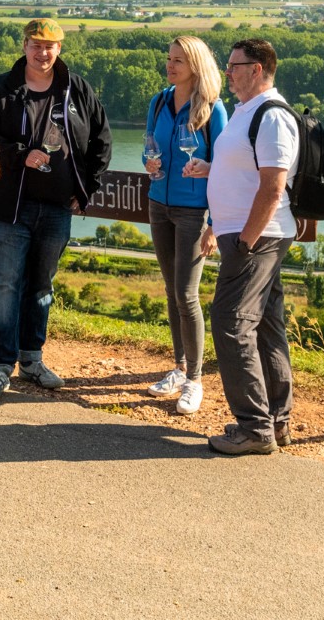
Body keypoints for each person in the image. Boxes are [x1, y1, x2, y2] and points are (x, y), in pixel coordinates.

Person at [0, 17, 111, 402]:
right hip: (8, 209)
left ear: (59, 49)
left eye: (49, 45)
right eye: (35, 44)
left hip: (56, 209)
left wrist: (86, 190)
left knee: (41, 287)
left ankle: (31, 359)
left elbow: (101, 139)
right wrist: (21, 155)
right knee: (3, 286)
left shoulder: (76, 90)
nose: (42, 51)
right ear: (24, 46)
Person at [204, 38, 302, 456]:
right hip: (248, 236)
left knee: (229, 320)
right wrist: (210, 170)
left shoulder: (272, 116)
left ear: (257, 69)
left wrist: (245, 239)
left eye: (234, 65)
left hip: (256, 238)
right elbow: (248, 169)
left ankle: (254, 427)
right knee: (265, 324)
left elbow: (274, 185)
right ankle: (275, 422)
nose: (227, 71)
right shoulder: (247, 112)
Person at [141, 35, 226, 414]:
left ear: (195, 66)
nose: (170, 65)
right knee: (171, 289)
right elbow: (149, 146)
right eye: (169, 58)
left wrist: (214, 224)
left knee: (187, 295)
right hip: (158, 205)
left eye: (178, 60)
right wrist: (149, 161)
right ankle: (178, 367)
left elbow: (224, 171)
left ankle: (195, 379)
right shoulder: (159, 101)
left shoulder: (212, 109)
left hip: (194, 213)